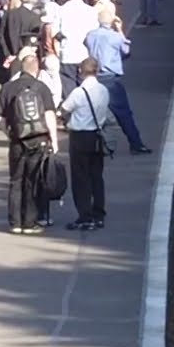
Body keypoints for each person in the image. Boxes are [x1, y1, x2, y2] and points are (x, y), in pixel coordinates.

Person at [0, 53, 60, 234]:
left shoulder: (8, 88)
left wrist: (9, 134)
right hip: (38, 139)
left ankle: (15, 222)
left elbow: (0, 118)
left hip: (18, 139)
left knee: (16, 180)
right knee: (32, 180)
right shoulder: (41, 88)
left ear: (21, 68)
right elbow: (49, 115)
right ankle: (30, 222)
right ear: (37, 69)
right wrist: (54, 140)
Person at [85, 3, 152, 154]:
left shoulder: (90, 35)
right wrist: (120, 30)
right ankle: (136, 143)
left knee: (94, 113)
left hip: (94, 77)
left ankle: (94, 145)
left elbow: (87, 46)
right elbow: (126, 51)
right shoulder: (115, 37)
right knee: (124, 113)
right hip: (110, 78)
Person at [59, 58, 110, 231]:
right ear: (97, 70)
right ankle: (99, 214)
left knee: (81, 177)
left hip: (80, 136)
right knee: (97, 176)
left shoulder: (79, 92)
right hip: (97, 135)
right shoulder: (103, 90)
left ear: (81, 71)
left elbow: (64, 109)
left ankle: (84, 216)